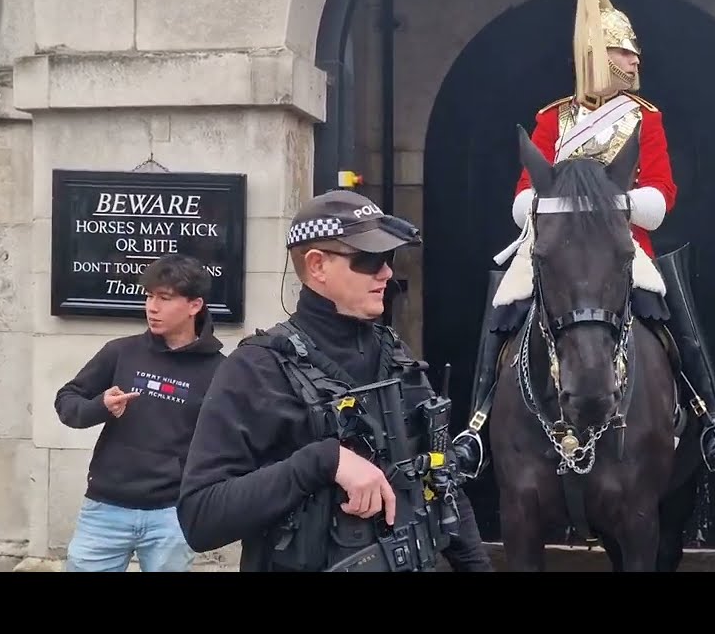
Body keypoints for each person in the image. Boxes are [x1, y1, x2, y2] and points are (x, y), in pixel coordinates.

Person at [450, 0, 715, 483]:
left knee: (672, 306)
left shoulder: (643, 119)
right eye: (625, 52)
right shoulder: (552, 119)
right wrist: (554, 207)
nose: (636, 62)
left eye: (633, 54)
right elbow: (525, 195)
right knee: (502, 300)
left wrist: (611, 205)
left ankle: (710, 416)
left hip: (622, 239)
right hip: (555, 241)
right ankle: (475, 427)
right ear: (597, 54)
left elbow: (660, 194)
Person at [176, 189, 493, 572]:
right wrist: (321, 461)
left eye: (388, 258)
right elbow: (201, 517)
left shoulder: (395, 356)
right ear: (317, 266)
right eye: (370, 259)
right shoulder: (257, 368)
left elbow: (444, 485)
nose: (387, 273)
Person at [54, 253, 226, 572]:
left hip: (172, 514)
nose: (152, 307)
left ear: (194, 305)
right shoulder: (121, 352)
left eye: (164, 298)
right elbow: (66, 402)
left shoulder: (220, 370)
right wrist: (99, 407)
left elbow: (227, 444)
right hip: (105, 507)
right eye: (149, 296)